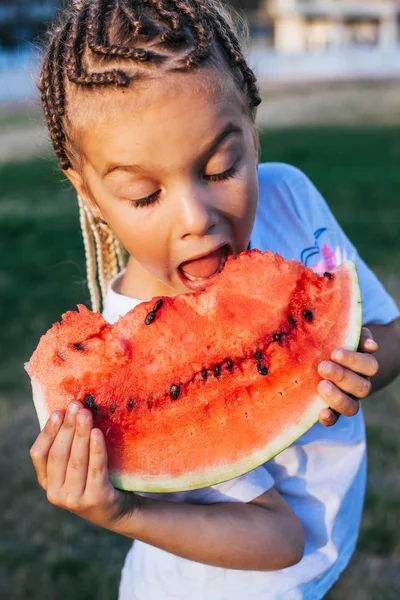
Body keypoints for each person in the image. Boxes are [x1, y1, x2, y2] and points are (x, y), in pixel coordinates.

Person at [29, 1, 400, 598]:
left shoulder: (289, 199)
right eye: (145, 195)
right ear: (90, 191)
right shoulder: (124, 372)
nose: (196, 218)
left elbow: (385, 329)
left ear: (251, 133)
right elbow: (279, 539)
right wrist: (123, 515)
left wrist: (358, 367)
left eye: (221, 167)